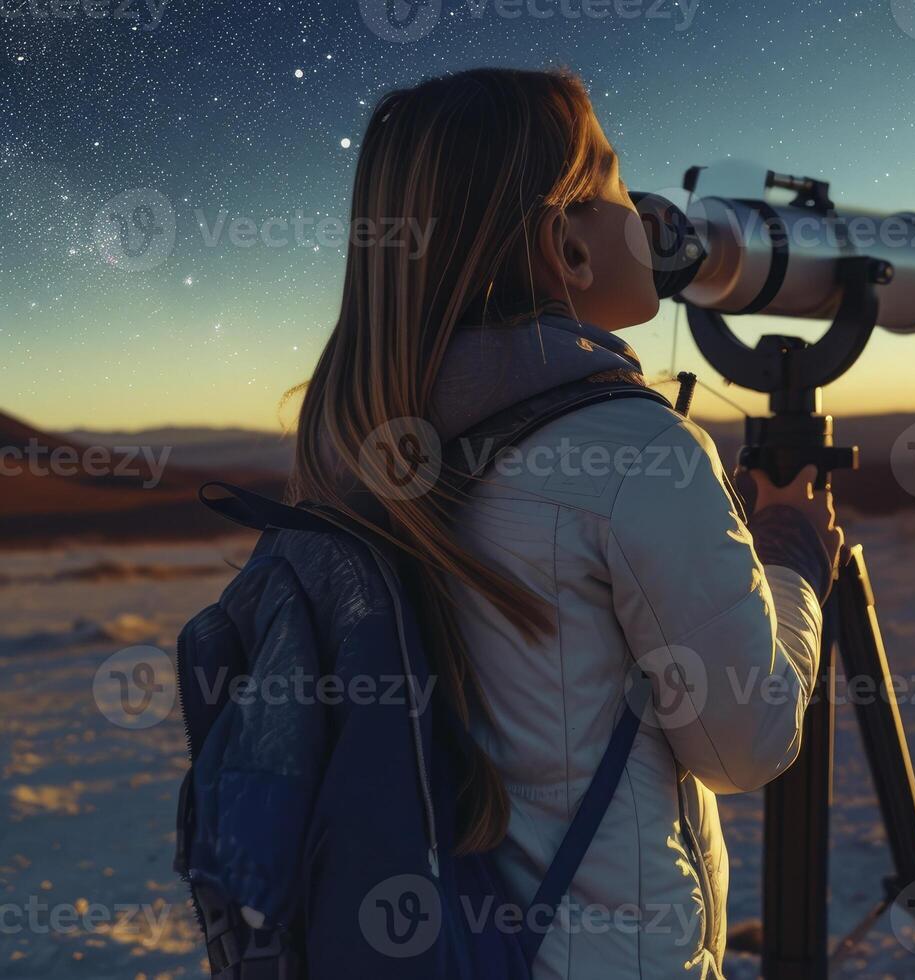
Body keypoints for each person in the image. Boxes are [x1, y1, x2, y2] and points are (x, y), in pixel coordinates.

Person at [287, 67, 842, 978]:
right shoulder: (631, 449)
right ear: (568, 252)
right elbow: (745, 743)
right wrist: (785, 553)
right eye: (618, 182)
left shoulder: (355, 435)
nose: (653, 212)